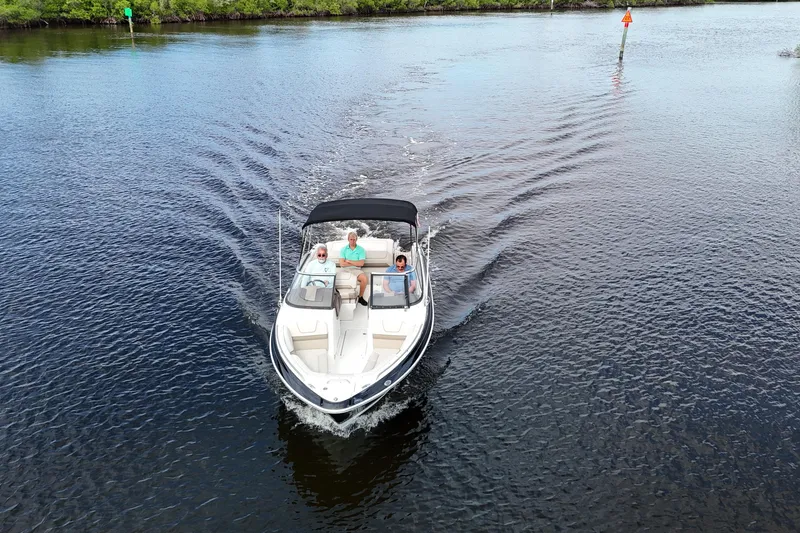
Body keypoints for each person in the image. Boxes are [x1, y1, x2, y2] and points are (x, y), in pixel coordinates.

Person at [339, 231, 369, 306]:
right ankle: (339, 297)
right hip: (344, 269)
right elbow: (342, 263)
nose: (352, 241)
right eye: (351, 239)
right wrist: (355, 262)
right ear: (348, 239)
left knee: (364, 279)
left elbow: (361, 263)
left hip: (356, 269)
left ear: (356, 239)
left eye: (354, 239)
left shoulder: (361, 250)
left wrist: (349, 261)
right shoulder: (343, 249)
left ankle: (360, 297)